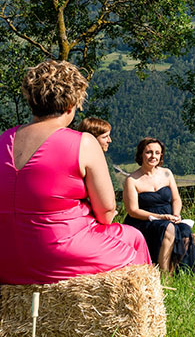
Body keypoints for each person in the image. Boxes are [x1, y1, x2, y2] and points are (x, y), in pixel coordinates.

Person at [0, 60, 150, 284]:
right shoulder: (83, 143)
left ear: (31, 100)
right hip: (56, 255)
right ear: (72, 104)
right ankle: (144, 317)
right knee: (134, 238)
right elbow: (107, 212)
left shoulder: (3, 140)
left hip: (6, 257)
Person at [123, 138, 195, 274]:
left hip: (169, 217)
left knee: (185, 229)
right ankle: (164, 274)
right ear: (141, 154)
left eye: (157, 153)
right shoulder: (132, 180)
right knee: (168, 228)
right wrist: (159, 217)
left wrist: (176, 215)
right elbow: (133, 210)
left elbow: (176, 199)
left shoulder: (167, 173)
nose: (153, 156)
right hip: (144, 221)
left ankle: (185, 273)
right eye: (149, 152)